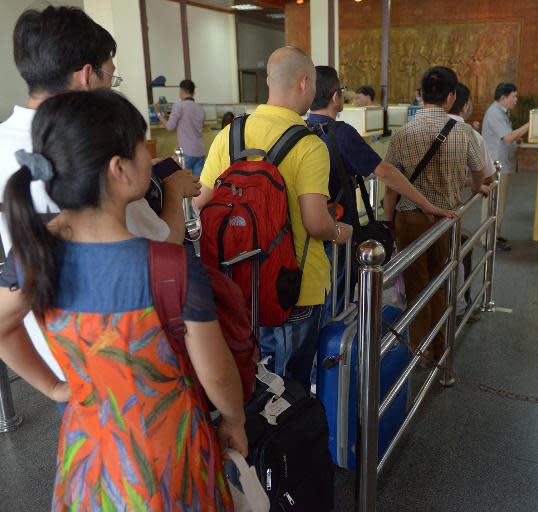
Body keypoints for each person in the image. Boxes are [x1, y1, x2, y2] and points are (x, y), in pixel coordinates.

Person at [0, 89, 245, 511]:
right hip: (169, 458)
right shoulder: (169, 267)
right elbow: (217, 375)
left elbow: (3, 327)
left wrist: (55, 386)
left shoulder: (32, 255)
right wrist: (235, 419)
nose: (150, 158)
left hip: (88, 455)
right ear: (119, 169)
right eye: (142, 148)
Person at [0, 6, 199, 383]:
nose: (112, 86)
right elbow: (163, 246)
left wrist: (54, 388)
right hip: (128, 351)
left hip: (55, 353)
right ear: (86, 76)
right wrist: (173, 193)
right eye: (112, 76)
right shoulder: (93, 147)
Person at [196, 47, 352, 390]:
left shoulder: (230, 135)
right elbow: (315, 223)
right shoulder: (310, 145)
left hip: (237, 281)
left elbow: (202, 204)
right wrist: (341, 230)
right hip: (295, 287)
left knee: (250, 374)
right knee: (291, 384)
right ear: (305, 83)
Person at [306, 66, 454, 319]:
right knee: (336, 306)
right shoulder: (341, 134)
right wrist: (427, 205)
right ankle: (336, 355)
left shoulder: (301, 130)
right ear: (335, 97)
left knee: (313, 303)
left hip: (306, 235)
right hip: (338, 233)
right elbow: (385, 172)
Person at [384, 66, 486, 365]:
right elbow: (480, 179)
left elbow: (391, 185)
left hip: (410, 220)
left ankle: (419, 352)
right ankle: (440, 348)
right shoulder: (465, 132)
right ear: (451, 96)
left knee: (416, 288)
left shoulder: (404, 132)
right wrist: (470, 188)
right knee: (442, 281)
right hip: (447, 221)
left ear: (420, 94)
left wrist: (388, 224)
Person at [447, 82, 496, 322]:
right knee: (457, 252)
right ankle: (457, 308)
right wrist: (476, 184)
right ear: (463, 104)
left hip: (413, 212)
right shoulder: (469, 134)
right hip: (447, 214)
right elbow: (488, 175)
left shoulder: (413, 128)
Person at [482, 82, 529, 251]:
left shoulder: (502, 112)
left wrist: (515, 138)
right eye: (514, 96)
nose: (516, 100)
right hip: (497, 165)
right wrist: (531, 124)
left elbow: (506, 137)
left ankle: (495, 234)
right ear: (503, 98)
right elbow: (507, 137)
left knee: (499, 203)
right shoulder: (495, 112)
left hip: (502, 164)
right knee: (494, 203)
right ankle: (488, 238)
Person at [155, 79, 207, 176]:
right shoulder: (200, 109)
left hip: (186, 151)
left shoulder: (179, 106)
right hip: (200, 151)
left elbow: (170, 127)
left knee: (182, 181)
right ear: (194, 92)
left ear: (181, 91)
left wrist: (158, 114)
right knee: (198, 185)